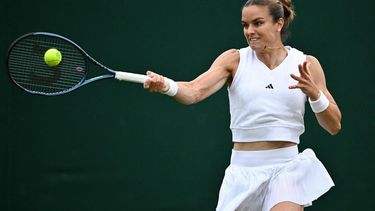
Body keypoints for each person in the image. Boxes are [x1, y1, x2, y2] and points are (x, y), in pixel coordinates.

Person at [144, 0, 342, 210]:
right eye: (245, 25)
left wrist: (315, 94)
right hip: (243, 173)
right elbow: (194, 91)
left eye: (258, 23)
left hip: (287, 169)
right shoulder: (234, 60)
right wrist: (166, 85)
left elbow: (334, 125)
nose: (250, 31)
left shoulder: (306, 64)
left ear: (279, 23)